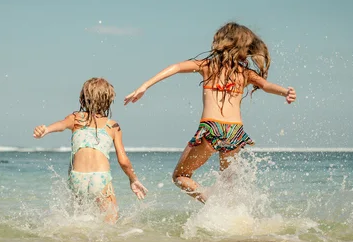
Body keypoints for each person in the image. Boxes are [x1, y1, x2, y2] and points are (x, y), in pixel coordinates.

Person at [124, 22, 296, 204]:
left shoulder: (207, 65)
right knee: (228, 183)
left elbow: (176, 67)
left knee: (181, 176)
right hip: (235, 131)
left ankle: (211, 202)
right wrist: (285, 91)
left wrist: (144, 86)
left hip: (211, 127)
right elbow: (266, 85)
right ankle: (230, 215)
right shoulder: (246, 74)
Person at [33, 77, 148, 223]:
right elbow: (123, 160)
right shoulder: (113, 126)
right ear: (109, 100)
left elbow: (61, 125)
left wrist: (46, 129)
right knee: (111, 223)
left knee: (78, 220)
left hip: (77, 178)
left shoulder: (76, 119)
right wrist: (133, 179)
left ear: (83, 98)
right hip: (101, 179)